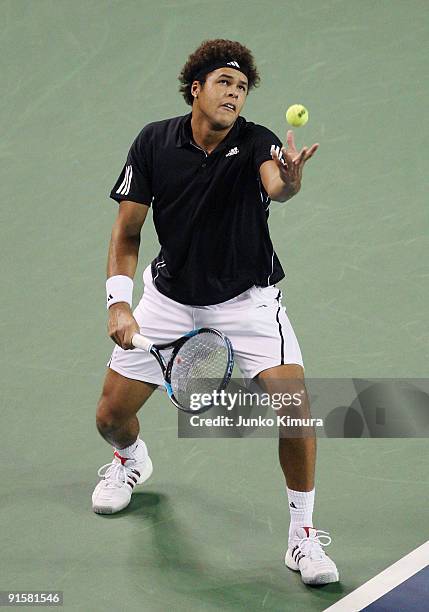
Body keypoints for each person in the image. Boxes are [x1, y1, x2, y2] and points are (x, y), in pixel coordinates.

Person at [92, 39, 339, 586]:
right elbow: (128, 230)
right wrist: (118, 301)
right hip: (168, 301)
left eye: (243, 87)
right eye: (224, 82)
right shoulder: (154, 142)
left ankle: (302, 538)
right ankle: (132, 460)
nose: (234, 93)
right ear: (196, 88)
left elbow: (276, 185)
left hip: (246, 303)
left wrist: (290, 180)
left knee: (296, 412)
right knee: (110, 418)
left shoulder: (258, 143)